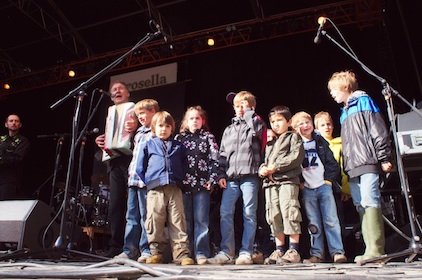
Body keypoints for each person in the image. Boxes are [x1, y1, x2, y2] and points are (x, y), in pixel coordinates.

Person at [327, 70, 392, 263]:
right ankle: (369, 248)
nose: (332, 94)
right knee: (360, 203)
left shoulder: (363, 101)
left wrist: (384, 156)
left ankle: (376, 249)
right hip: (353, 166)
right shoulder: (344, 112)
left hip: (368, 161)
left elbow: (377, 129)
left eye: (333, 90)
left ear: (345, 87)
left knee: (370, 199)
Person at [207, 90, 266, 265]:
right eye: (237, 105)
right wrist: (221, 175)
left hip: (250, 175)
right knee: (225, 212)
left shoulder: (256, 122)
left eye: (243, 104)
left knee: (249, 213)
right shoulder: (228, 129)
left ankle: (246, 251)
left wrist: (250, 112)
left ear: (251, 106)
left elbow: (258, 131)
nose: (239, 108)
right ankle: (227, 251)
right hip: (231, 177)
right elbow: (223, 154)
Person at [136, 111, 194, 265]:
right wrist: (150, 182)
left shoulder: (178, 146)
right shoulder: (148, 144)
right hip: (155, 189)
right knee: (155, 220)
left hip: (174, 188)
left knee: (178, 220)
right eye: (160, 126)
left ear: (172, 128)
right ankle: (156, 253)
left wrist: (179, 179)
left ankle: (181, 254)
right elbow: (139, 168)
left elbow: (185, 165)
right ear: (154, 128)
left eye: (167, 126)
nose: (163, 129)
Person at [291, 111, 347, 263]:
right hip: (308, 189)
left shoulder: (320, 141)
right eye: (300, 124)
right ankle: (317, 253)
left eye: (307, 122)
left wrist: (328, 180)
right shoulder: (296, 144)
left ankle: (337, 252)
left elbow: (332, 163)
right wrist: (300, 183)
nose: (305, 126)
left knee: (331, 220)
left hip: (323, 186)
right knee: (313, 223)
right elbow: (294, 166)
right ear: (295, 129)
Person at [95, 81, 138, 257]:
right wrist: (100, 142)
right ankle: (115, 246)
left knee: (134, 204)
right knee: (115, 206)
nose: (117, 91)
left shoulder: (135, 109)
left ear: (128, 92)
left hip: (131, 159)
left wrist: (136, 128)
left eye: (120, 88)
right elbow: (109, 136)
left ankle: (134, 246)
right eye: (113, 90)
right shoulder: (110, 113)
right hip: (113, 161)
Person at [114, 99, 159, 262]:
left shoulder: (156, 132)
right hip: (133, 179)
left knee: (146, 216)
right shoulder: (139, 133)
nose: (140, 116)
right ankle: (129, 250)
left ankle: (145, 249)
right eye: (138, 114)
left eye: (143, 113)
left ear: (153, 112)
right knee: (131, 216)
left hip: (146, 181)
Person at [258, 106, 305, 264]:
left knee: (289, 211)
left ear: (289, 121)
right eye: (273, 121)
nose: (276, 124)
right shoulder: (271, 144)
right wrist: (263, 169)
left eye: (279, 120)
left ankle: (293, 249)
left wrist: (276, 167)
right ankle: (279, 249)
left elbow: (296, 157)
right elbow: (264, 162)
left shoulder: (294, 137)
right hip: (270, 185)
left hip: (287, 181)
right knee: (274, 214)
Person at [175, 106, 219, 265]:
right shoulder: (179, 139)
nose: (194, 121)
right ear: (186, 121)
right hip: (184, 185)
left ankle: (201, 253)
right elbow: (174, 162)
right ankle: (186, 253)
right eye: (191, 118)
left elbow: (214, 159)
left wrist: (212, 179)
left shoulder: (208, 137)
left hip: (202, 185)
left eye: (197, 118)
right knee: (185, 221)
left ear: (203, 121)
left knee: (201, 220)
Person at [314, 111, 353, 239]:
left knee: (336, 220)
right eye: (322, 125)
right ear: (316, 128)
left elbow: (343, 168)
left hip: (335, 190)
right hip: (315, 188)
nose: (327, 128)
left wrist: (345, 190)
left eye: (328, 124)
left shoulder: (339, 144)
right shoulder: (313, 145)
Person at [0, 114, 30, 200]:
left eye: (16, 121)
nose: (14, 123)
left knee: (4, 208)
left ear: (20, 125)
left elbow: (17, 160)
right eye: (11, 121)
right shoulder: (2, 139)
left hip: (8, 181)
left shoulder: (23, 141)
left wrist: (2, 158)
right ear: (6, 124)